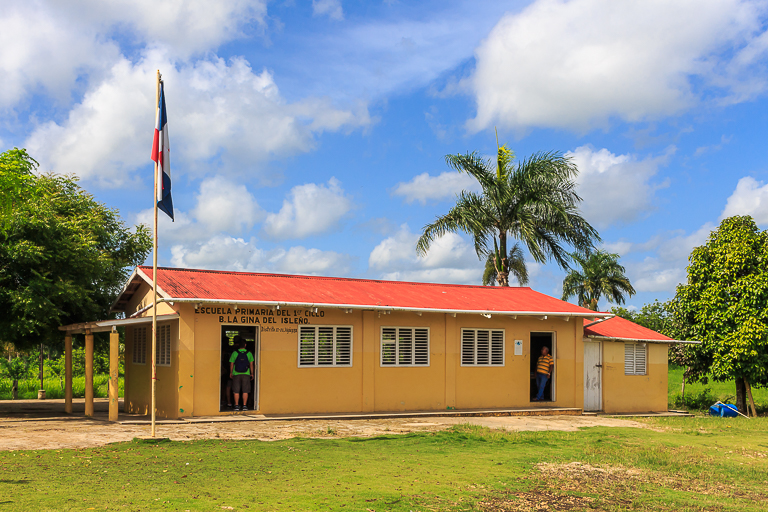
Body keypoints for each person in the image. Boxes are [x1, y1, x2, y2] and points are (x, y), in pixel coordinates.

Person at [229, 336, 255, 411]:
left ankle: (236, 405)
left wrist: (231, 372)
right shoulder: (249, 353)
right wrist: (252, 373)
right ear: (245, 345)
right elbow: (251, 364)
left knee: (236, 390)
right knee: (245, 390)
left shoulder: (234, 353)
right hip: (246, 374)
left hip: (236, 374)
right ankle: (244, 406)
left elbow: (231, 364)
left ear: (238, 345)